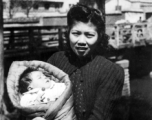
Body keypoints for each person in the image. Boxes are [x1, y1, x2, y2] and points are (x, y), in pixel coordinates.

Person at [25, 3, 124, 120]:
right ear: (68, 33)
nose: (81, 41)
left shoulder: (111, 71)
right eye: (76, 33)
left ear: (99, 37)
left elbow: (99, 116)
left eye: (89, 35)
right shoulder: (55, 60)